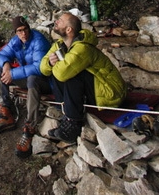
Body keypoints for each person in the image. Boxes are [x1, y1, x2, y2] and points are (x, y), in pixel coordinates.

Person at [40, 12, 127, 143]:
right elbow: (43, 68)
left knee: (71, 75)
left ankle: (73, 124)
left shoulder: (83, 47)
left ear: (69, 30)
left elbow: (61, 73)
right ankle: (66, 114)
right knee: (60, 73)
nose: (56, 21)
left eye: (61, 21)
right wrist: (49, 63)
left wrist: (55, 64)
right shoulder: (59, 45)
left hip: (109, 92)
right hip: (94, 90)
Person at [0, 16, 52, 158]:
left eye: (25, 29)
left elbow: (39, 67)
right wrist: (5, 64)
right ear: (16, 32)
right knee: (0, 69)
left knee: (32, 79)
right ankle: (6, 112)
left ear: (29, 28)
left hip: (46, 81)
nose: (24, 33)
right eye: (20, 31)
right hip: (28, 77)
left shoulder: (38, 40)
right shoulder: (17, 41)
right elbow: (0, 55)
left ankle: (30, 127)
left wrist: (13, 73)